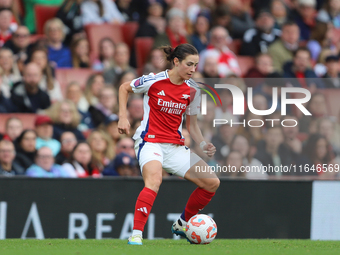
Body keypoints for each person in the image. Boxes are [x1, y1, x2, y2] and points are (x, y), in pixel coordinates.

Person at [118, 44, 220, 245]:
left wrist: (202, 143)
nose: (193, 69)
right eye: (189, 64)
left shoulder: (193, 90)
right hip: (150, 141)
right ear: (176, 62)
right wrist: (122, 116)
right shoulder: (154, 80)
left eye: (196, 65)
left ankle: (182, 223)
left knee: (212, 183)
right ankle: (136, 234)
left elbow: (191, 125)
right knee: (154, 181)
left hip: (174, 146)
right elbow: (124, 88)